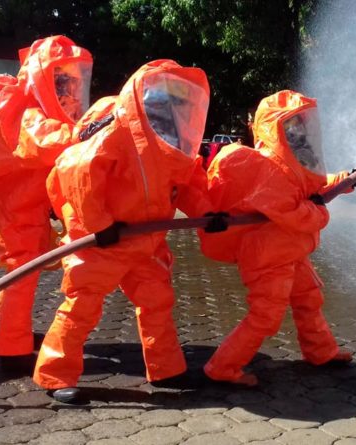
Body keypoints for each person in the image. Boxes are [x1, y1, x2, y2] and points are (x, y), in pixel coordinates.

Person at [33, 59, 218, 403]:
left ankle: (165, 368)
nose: (172, 108)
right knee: (83, 304)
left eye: (179, 101)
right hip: (103, 240)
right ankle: (54, 374)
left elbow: (189, 180)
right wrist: (100, 226)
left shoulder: (173, 141)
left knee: (157, 301)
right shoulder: (117, 130)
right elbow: (79, 175)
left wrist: (208, 213)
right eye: (165, 100)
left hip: (144, 240)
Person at [197, 90, 356, 386]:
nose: (301, 132)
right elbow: (297, 211)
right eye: (293, 126)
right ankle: (222, 367)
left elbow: (313, 184)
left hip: (288, 252)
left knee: (309, 299)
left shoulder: (291, 162)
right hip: (268, 257)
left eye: (303, 124)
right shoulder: (266, 171)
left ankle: (321, 351)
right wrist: (320, 213)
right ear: (276, 129)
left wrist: (349, 178)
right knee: (266, 315)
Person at [0, 35, 93, 373]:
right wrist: (85, 133)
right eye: (62, 80)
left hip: (24, 207)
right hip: (14, 209)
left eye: (73, 81)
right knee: (22, 272)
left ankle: (5, 321)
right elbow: (42, 141)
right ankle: (12, 351)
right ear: (44, 76)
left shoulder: (32, 108)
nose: (70, 90)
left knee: (22, 270)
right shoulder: (20, 110)